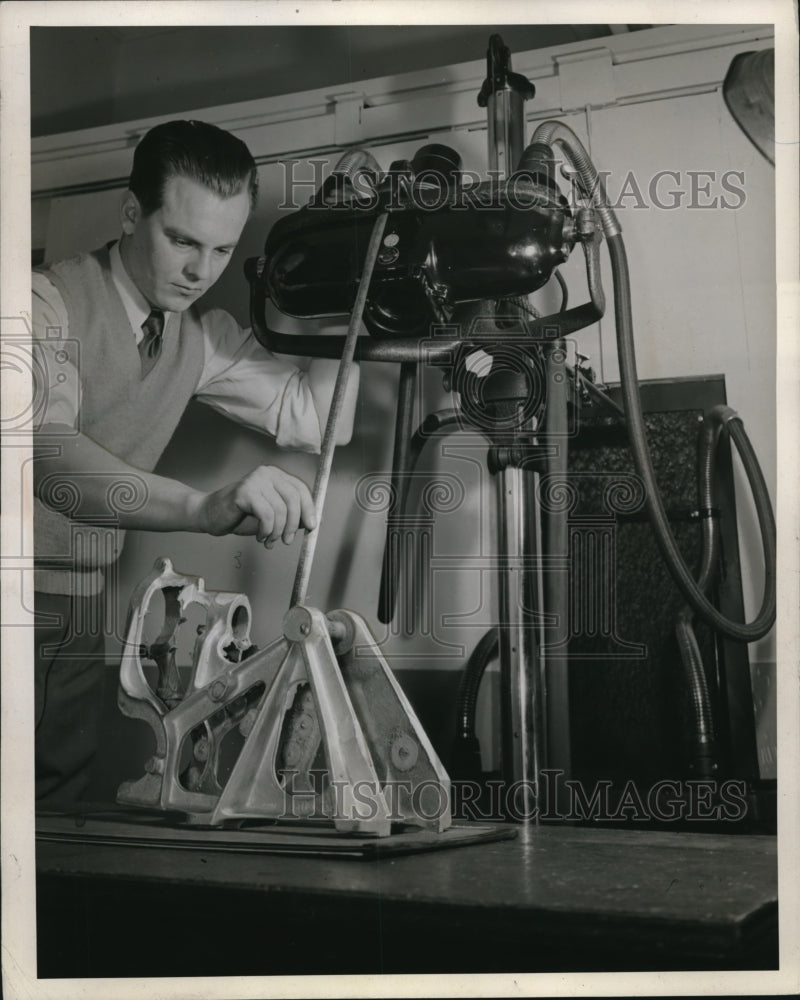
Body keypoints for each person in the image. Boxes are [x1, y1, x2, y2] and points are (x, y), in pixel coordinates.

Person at [32, 119, 359, 810]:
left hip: (83, 600)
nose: (199, 271)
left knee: (55, 801)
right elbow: (46, 455)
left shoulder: (198, 339)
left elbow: (319, 419)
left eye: (220, 249)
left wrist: (350, 290)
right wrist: (202, 508)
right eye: (180, 240)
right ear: (131, 213)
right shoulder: (42, 304)